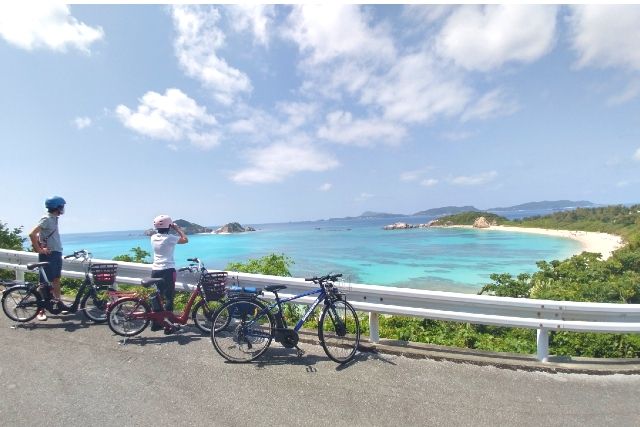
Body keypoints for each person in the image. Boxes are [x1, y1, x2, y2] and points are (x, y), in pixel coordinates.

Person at [29, 196, 66, 321]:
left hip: (56, 253)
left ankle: (58, 303)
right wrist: (40, 250)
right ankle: (40, 310)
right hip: (48, 255)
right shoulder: (46, 219)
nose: (63, 208)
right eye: (62, 206)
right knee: (44, 283)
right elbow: (32, 233)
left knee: (56, 279)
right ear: (57, 207)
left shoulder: (54, 219)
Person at [150, 215, 188, 334]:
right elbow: (185, 239)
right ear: (169, 226)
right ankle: (169, 326)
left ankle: (156, 323)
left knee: (157, 297)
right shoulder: (170, 238)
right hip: (167, 270)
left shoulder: (153, 237)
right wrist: (177, 229)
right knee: (169, 297)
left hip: (155, 270)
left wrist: (170, 226)